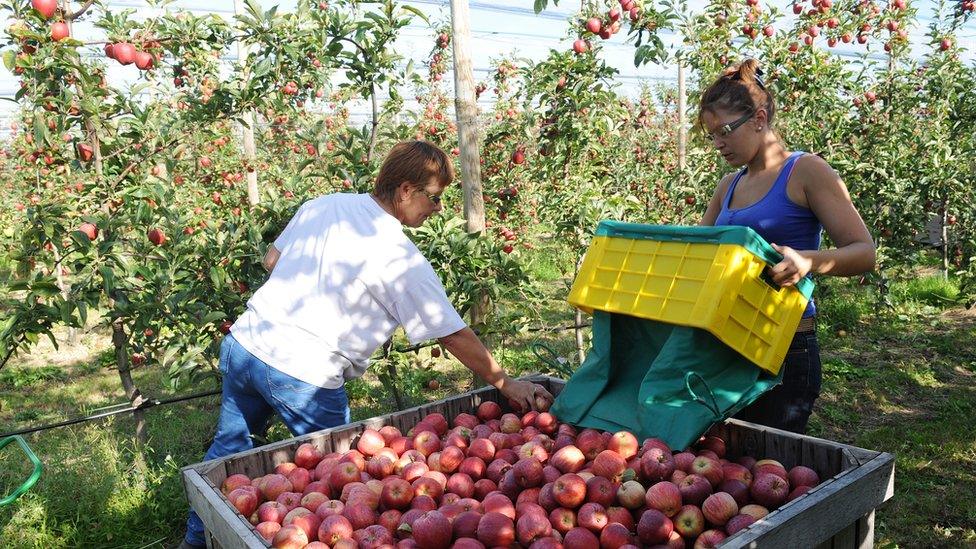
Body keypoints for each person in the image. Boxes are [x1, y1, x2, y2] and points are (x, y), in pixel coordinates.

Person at [180, 140, 552, 549]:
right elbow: (451, 332)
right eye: (435, 197)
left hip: (247, 343)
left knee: (225, 456)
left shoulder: (325, 204)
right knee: (341, 488)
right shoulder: (398, 257)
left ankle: (198, 541)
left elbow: (273, 259)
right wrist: (504, 383)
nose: (438, 208)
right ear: (406, 190)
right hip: (304, 372)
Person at [697, 59, 876, 434]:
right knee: (725, 467)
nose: (717, 144)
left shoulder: (806, 171)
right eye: (711, 135)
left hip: (783, 346)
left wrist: (808, 261)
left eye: (724, 130)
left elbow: (863, 251)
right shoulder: (727, 186)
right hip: (724, 347)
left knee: (772, 467)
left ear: (759, 118)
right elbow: (701, 256)